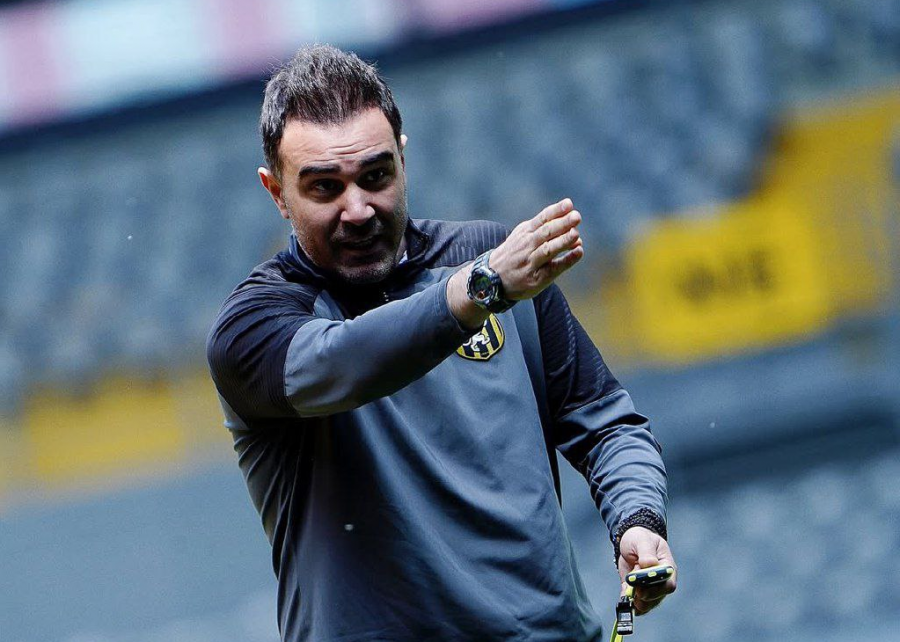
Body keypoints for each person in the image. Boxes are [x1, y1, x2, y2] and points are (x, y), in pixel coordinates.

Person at [207, 44, 676, 642]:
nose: (358, 209)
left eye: (375, 176)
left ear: (403, 160)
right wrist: (478, 291)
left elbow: (605, 422)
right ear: (276, 192)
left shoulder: (494, 262)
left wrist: (637, 516)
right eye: (324, 188)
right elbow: (339, 362)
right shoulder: (254, 326)